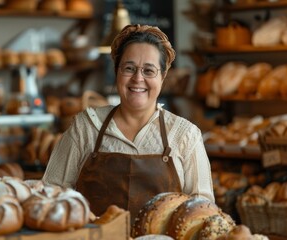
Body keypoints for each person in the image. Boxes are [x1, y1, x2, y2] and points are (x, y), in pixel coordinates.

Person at [42, 24, 214, 222]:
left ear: (163, 76)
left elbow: (203, 211)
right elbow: (51, 194)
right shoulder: (86, 127)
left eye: (148, 70)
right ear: (116, 72)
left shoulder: (184, 134)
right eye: (129, 68)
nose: (138, 78)